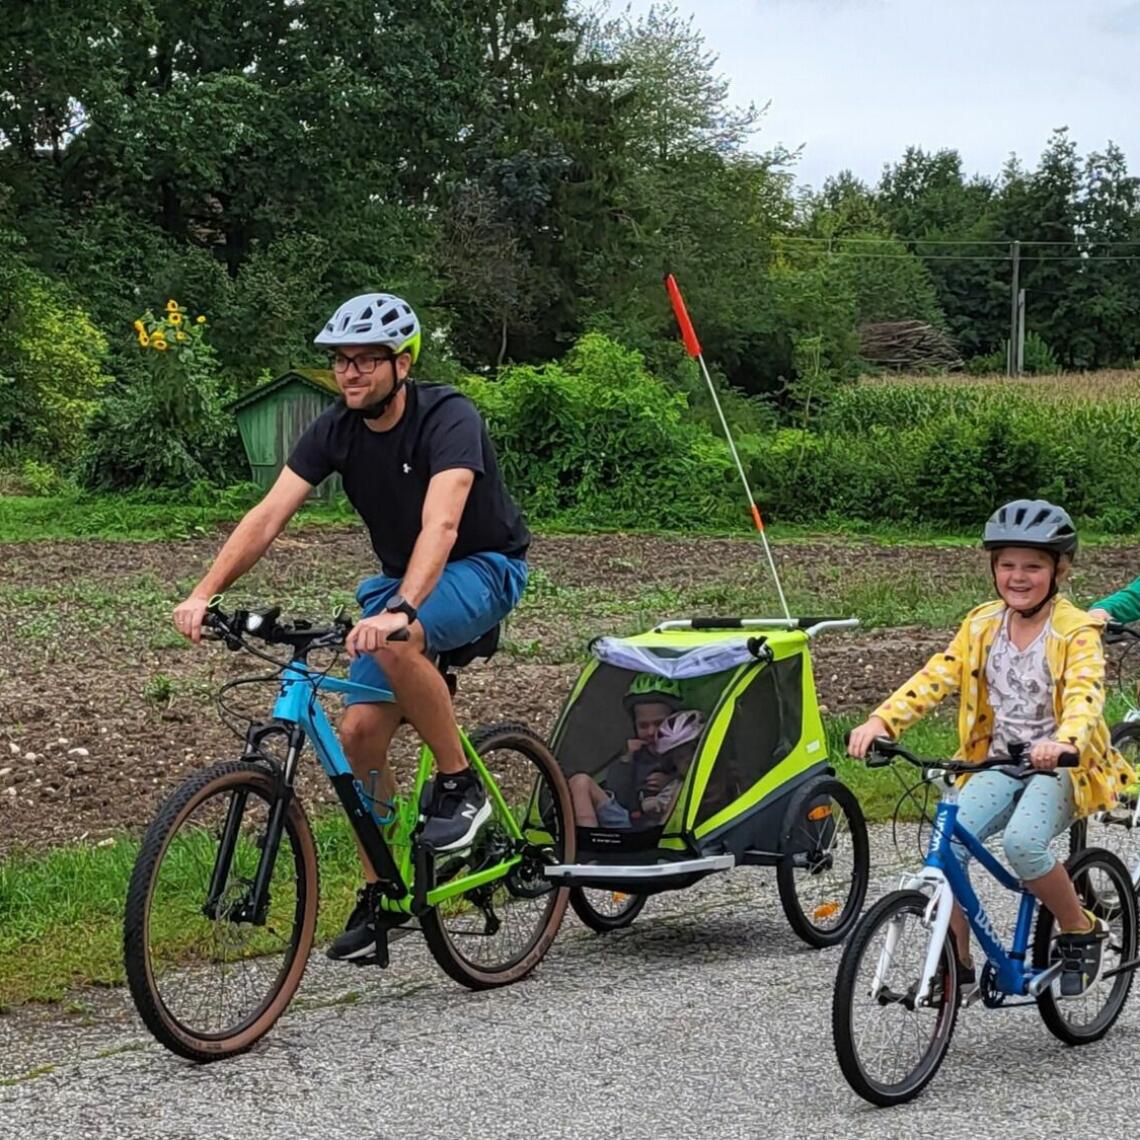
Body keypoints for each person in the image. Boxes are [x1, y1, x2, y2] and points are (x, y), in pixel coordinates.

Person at [172, 291, 530, 962]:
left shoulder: (446, 416)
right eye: (341, 361)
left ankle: (461, 784)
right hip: (401, 581)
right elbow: (269, 514)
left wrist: (403, 609)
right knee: (359, 733)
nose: (351, 373)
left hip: (482, 565)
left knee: (397, 639)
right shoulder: (335, 429)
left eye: (367, 360)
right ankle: (384, 888)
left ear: (402, 364)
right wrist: (204, 591)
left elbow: (442, 523)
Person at [848, 499, 1135, 997]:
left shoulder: (1075, 631)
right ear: (993, 568)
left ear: (1058, 570)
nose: (1018, 577)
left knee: (1025, 844)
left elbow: (1086, 697)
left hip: (1061, 766)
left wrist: (1063, 742)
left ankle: (1079, 926)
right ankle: (955, 964)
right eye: (1007, 565)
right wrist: (881, 720)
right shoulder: (982, 624)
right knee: (947, 848)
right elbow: (935, 677)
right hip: (999, 760)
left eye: (1033, 566)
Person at [568, 674, 683, 828]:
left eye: (659, 723)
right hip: (627, 819)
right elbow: (618, 793)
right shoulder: (636, 753)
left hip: (662, 825)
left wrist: (670, 782)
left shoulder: (680, 751)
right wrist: (626, 760)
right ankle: (587, 837)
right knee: (579, 781)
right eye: (643, 726)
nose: (651, 732)